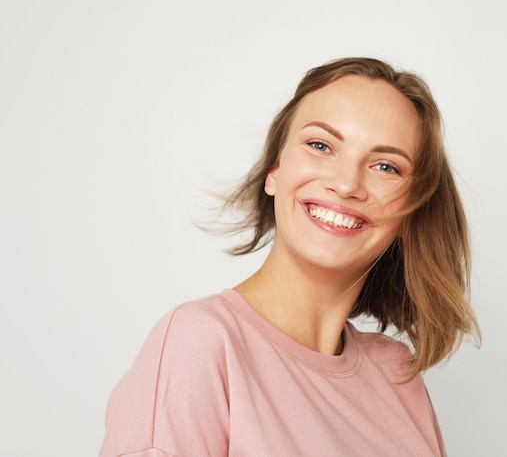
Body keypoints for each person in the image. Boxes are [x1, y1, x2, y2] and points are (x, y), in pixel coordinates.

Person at [99, 57, 480, 456]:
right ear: (274, 172)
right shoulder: (202, 342)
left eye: (385, 166)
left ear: (410, 213)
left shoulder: (397, 373)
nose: (347, 184)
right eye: (320, 145)